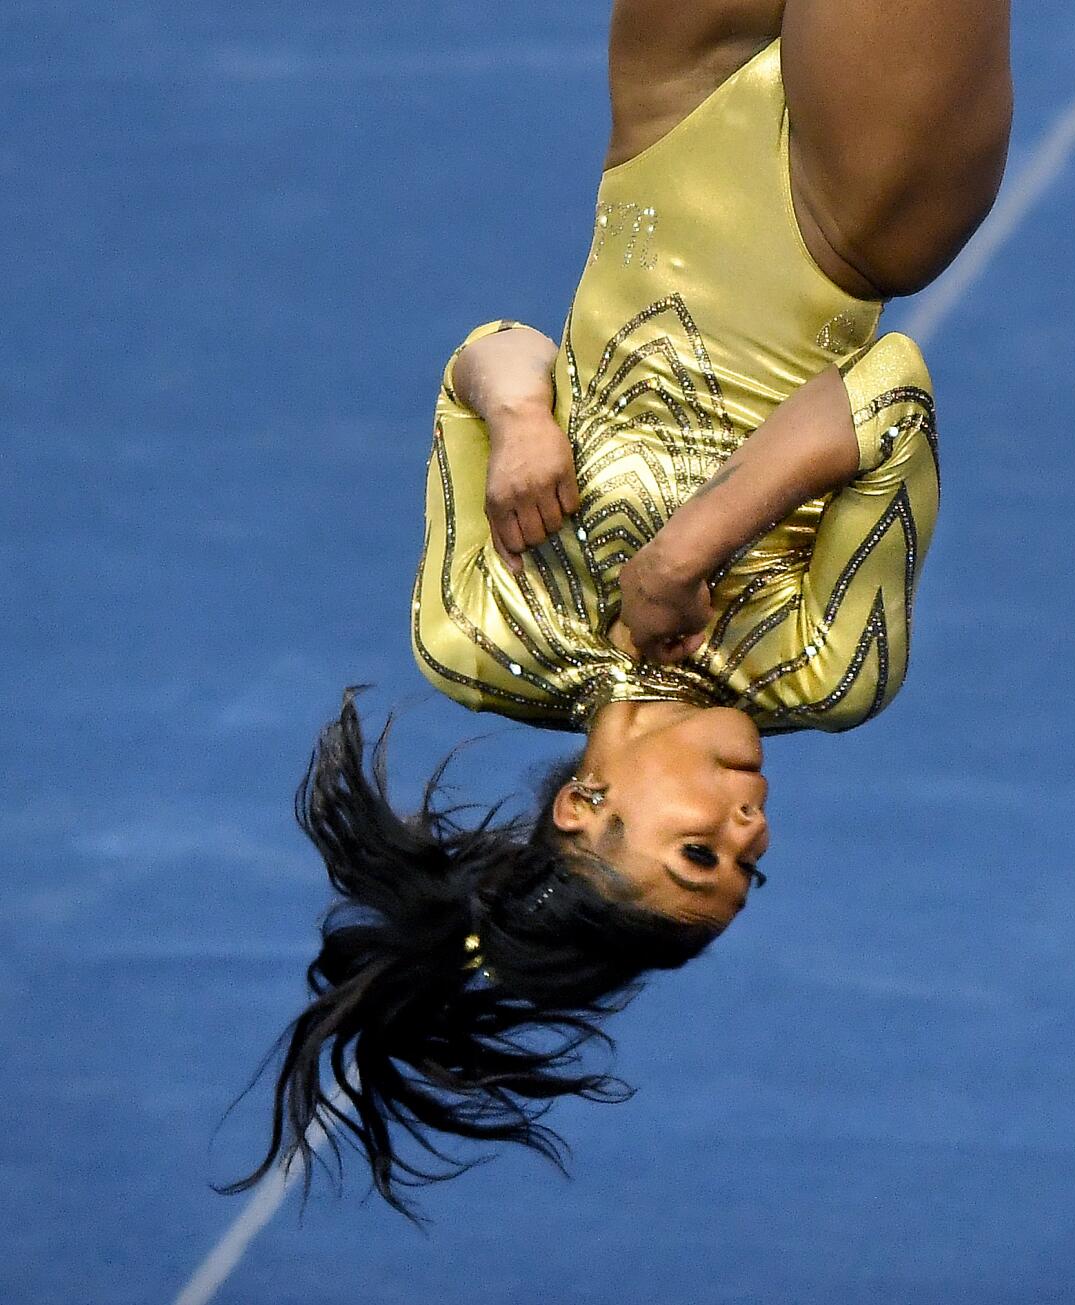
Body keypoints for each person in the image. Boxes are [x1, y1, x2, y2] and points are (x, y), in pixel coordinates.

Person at [227, 0, 1012, 1220]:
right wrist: (686, 550)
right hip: (853, 215)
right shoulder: (817, 675)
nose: (746, 832)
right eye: (748, 867)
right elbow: (891, 392)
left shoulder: (479, 647)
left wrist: (526, 422)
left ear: (586, 807)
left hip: (663, 119)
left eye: (697, 851)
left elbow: (484, 357)